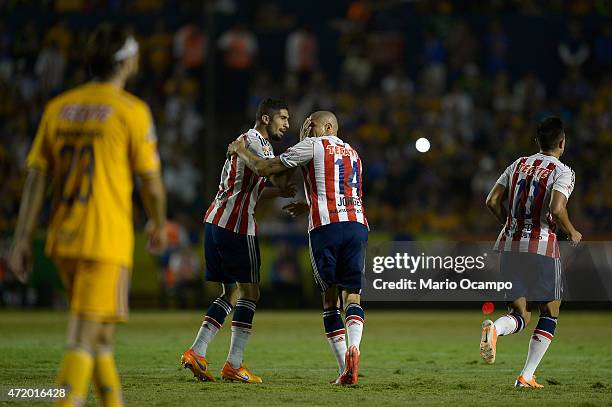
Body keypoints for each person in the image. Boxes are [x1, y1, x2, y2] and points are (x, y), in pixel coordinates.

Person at [8, 23, 167, 406]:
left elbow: (35, 180)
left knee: (100, 339)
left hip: (62, 237)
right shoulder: (131, 111)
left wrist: (22, 238)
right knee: (82, 338)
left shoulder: (58, 108)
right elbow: (151, 182)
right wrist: (158, 222)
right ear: (127, 60)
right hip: (104, 239)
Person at [227, 110, 369, 385]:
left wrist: (241, 150)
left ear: (328, 126)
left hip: (326, 227)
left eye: (310, 125)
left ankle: (344, 368)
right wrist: (309, 203)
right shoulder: (354, 153)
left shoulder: (313, 145)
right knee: (353, 295)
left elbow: (266, 169)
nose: (305, 130)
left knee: (329, 301)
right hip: (357, 225)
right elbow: (344, 190)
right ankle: (356, 347)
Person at [180, 97, 294, 384]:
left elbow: (250, 186)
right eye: (283, 118)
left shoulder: (250, 142)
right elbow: (266, 171)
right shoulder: (254, 142)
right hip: (238, 227)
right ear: (266, 118)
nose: (287, 124)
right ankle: (233, 364)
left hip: (215, 223)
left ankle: (197, 351)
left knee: (229, 293)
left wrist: (278, 192)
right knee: (250, 293)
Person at [481, 116, 581, 388]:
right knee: (549, 313)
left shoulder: (517, 165)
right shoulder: (563, 171)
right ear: (562, 142)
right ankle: (526, 376)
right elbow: (557, 208)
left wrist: (510, 225)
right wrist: (572, 232)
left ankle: (496, 329)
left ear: (537, 141)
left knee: (519, 314)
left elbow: (491, 200)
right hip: (542, 247)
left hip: (509, 246)